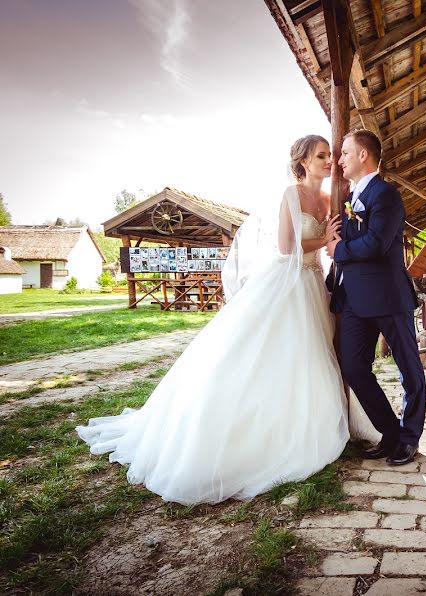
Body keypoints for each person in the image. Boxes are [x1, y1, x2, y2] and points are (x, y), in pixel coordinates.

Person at [76, 135, 379, 505]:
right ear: (302, 162)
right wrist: (325, 241)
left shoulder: (331, 199)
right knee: (276, 354)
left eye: (329, 156)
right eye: (320, 156)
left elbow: (339, 239)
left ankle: (317, 421)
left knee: (317, 357)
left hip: (316, 284)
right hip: (289, 282)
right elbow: (286, 247)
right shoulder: (290, 194)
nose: (328, 161)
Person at [325, 129, 426, 466]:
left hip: (388, 297)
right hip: (354, 300)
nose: (339, 160)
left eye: (344, 153)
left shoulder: (386, 195)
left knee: (409, 370)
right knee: (354, 367)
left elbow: (376, 244)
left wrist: (339, 249)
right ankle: (390, 432)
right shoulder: (349, 198)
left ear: (363, 155)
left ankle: (409, 438)